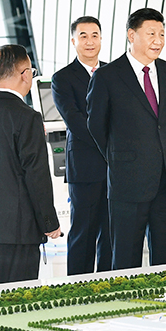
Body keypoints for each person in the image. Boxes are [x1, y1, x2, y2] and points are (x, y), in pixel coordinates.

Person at [87, 8, 166, 270]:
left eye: (162, 34)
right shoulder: (107, 76)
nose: (158, 40)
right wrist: (120, 157)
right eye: (151, 33)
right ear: (132, 35)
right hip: (127, 181)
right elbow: (96, 126)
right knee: (126, 258)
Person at [0, 44, 62, 285]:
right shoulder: (27, 117)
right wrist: (49, 222)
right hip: (19, 229)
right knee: (18, 299)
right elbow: (36, 175)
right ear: (25, 74)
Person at [51, 16, 112, 275]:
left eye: (94, 35)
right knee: (83, 231)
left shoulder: (114, 73)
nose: (90, 41)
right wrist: (112, 144)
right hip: (85, 166)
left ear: (101, 39)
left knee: (112, 232)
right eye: (83, 36)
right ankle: (79, 284)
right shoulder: (62, 78)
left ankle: (110, 283)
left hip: (117, 166)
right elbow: (75, 120)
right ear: (73, 41)